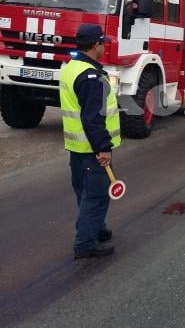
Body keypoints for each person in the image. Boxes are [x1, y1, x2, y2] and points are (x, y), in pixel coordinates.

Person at [59, 24, 121, 259]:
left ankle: (97, 229)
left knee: (84, 190)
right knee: (96, 195)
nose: (105, 46)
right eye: (103, 43)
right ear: (96, 44)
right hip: (92, 148)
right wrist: (103, 147)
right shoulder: (90, 76)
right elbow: (92, 117)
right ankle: (85, 243)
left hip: (77, 146)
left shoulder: (71, 67)